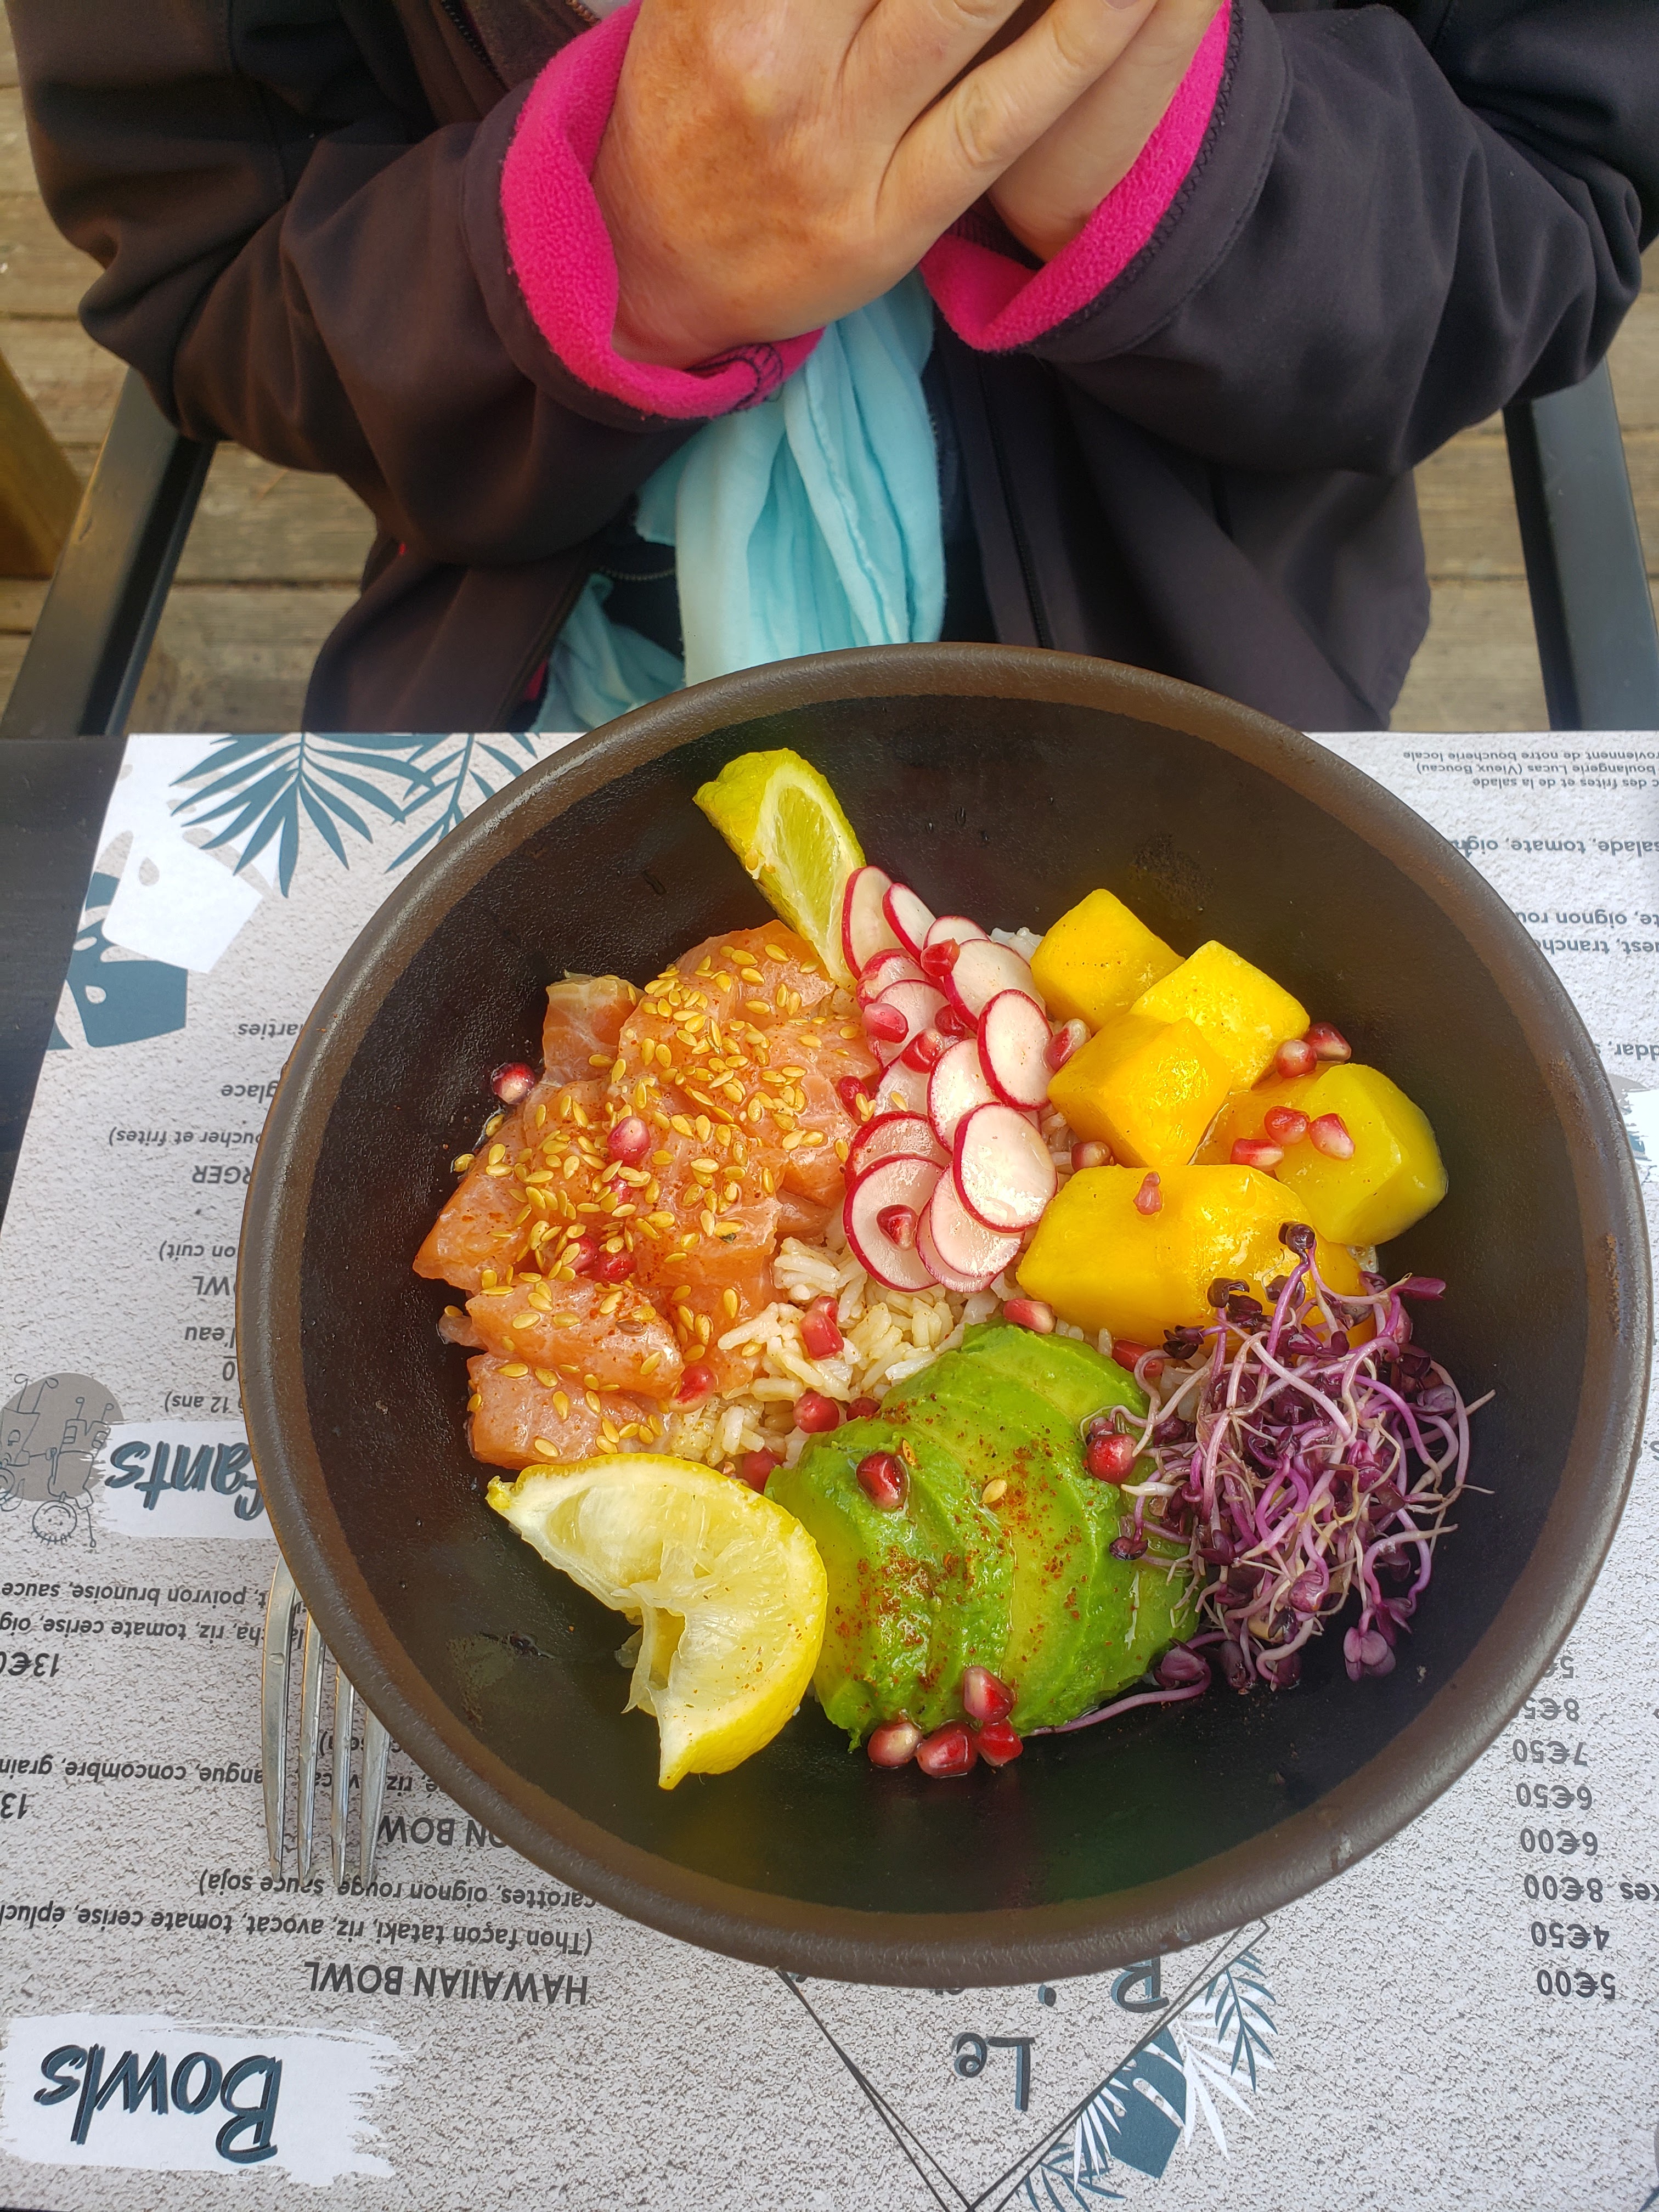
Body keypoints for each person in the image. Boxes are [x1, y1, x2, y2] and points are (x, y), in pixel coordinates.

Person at [9, 0, 1656, 733]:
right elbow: (204, 266)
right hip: (537, 692)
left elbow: (1556, 210)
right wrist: (612, 250)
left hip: (1207, 696)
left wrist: (1183, 174)